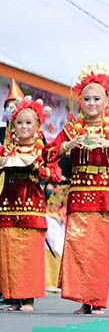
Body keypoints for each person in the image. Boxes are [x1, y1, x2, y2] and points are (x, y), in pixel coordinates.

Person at [44, 64, 109, 315]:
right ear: (80, 101)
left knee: (101, 249)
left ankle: (98, 301)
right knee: (79, 247)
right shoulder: (72, 129)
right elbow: (47, 153)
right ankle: (83, 300)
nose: (91, 103)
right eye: (87, 98)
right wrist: (68, 145)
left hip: (106, 194)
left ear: (106, 100)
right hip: (79, 193)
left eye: (97, 98)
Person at [0, 97, 61, 311]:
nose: (24, 127)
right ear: (13, 126)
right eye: (19, 122)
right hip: (8, 207)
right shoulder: (7, 151)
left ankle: (29, 299)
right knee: (10, 252)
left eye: (29, 123)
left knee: (30, 253)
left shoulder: (42, 152)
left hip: (32, 206)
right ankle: (14, 298)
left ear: (37, 125)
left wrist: (37, 168)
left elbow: (55, 175)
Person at [45, 184, 68, 291]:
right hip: (49, 243)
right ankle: (48, 283)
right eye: (53, 204)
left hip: (59, 242)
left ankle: (56, 284)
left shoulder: (59, 216)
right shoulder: (46, 216)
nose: (55, 207)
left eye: (57, 205)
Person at [1, 79, 24, 146]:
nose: (11, 109)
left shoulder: (29, 132)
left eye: (15, 105)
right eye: (8, 107)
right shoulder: (1, 131)